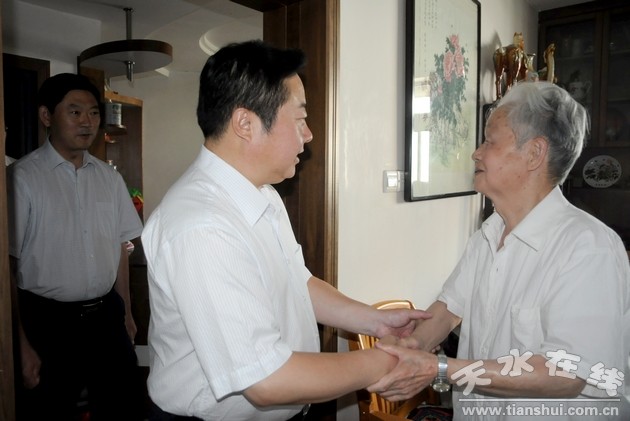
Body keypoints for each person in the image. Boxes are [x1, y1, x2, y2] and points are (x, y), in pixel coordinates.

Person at [142, 40, 429, 421]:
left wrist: (374, 322)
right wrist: (385, 362)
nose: (308, 134)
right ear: (245, 124)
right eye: (299, 119)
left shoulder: (263, 194)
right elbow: (266, 380)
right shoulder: (201, 226)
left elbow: (297, 281)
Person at [368, 81, 630, 420]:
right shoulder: (488, 235)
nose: (476, 153)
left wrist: (440, 368)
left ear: (534, 153)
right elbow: (449, 308)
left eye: (490, 141)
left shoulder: (588, 248)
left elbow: (566, 373)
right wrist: (412, 347)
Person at [7, 73, 145, 420]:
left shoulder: (109, 178)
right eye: (75, 112)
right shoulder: (21, 177)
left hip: (106, 316)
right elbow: (7, 263)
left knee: (123, 408)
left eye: (94, 113)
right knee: (50, 411)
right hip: (47, 321)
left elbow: (119, 246)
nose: (87, 121)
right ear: (46, 116)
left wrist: (127, 312)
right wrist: (19, 342)